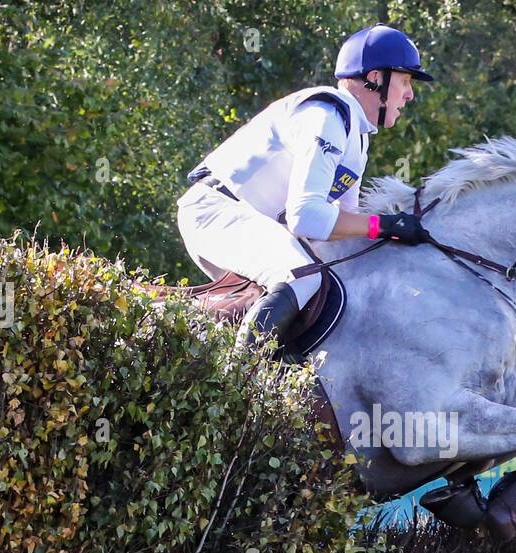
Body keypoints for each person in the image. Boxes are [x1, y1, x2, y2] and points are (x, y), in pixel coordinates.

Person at [177, 24, 435, 347]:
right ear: (375, 78)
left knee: (320, 282)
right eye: (405, 81)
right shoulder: (327, 115)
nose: (410, 94)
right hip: (215, 210)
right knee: (302, 275)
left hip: (243, 219)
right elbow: (306, 218)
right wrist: (383, 225)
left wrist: (394, 240)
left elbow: (341, 227)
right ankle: (240, 380)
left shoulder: (357, 136)